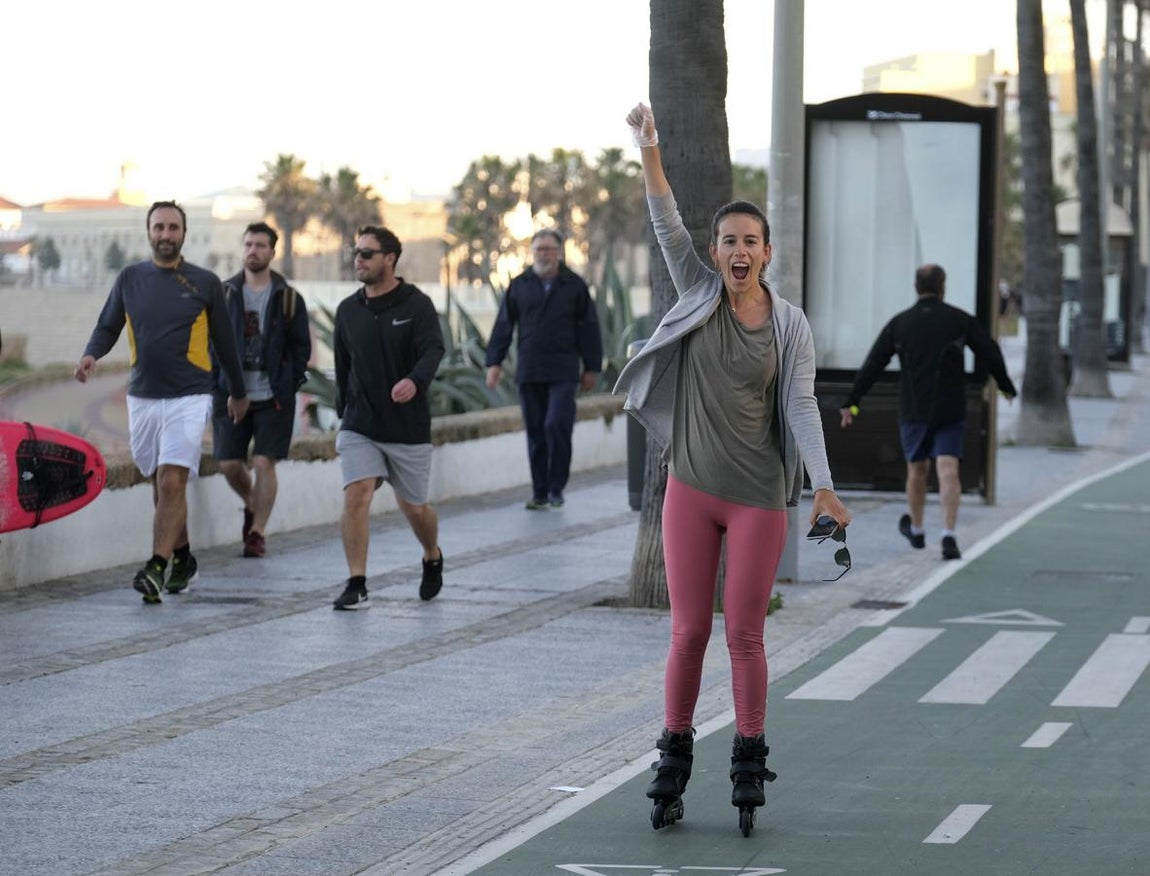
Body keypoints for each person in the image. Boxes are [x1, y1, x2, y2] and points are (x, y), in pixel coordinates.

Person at [617, 103, 851, 831]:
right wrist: (650, 145)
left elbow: (802, 405)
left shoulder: (789, 324)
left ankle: (749, 760)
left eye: (750, 241)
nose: (738, 250)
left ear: (767, 253)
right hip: (690, 491)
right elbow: (665, 220)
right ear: (715, 253)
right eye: (728, 241)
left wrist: (823, 486)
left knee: (745, 635)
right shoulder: (697, 292)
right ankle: (673, 757)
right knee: (688, 632)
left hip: (757, 497)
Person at [75, 200, 249, 604]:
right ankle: (183, 558)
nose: (166, 234)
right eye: (159, 227)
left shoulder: (205, 282)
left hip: (190, 395)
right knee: (160, 482)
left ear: (184, 233)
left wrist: (238, 392)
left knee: (172, 479)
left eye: (173, 227)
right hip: (143, 397)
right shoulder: (130, 278)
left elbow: (225, 342)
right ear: (149, 232)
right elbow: (108, 324)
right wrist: (91, 354)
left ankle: (155, 567)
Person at [839, 264, 1018, 561]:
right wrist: (1006, 387)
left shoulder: (901, 324)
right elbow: (990, 351)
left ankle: (918, 529)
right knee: (948, 470)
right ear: (942, 287)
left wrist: (852, 401)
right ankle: (948, 534)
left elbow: (874, 363)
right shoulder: (959, 320)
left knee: (917, 470)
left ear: (916, 287)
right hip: (951, 409)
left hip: (914, 410)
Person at [330, 225, 446, 610]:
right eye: (356, 252)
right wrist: (344, 413)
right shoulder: (348, 311)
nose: (358, 260)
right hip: (360, 424)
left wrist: (415, 381)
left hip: (407, 427)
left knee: (415, 508)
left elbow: (433, 350)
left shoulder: (416, 305)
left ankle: (431, 554)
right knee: (357, 494)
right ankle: (357, 583)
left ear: (389, 259)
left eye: (367, 253)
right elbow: (343, 367)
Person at [211, 222, 311, 559]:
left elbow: (301, 347)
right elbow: (210, 342)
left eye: (260, 245)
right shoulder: (224, 294)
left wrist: (289, 383)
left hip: (273, 396)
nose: (253, 251)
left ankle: (257, 532)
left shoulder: (288, 298)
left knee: (264, 462)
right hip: (229, 393)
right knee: (228, 463)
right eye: (248, 244)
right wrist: (217, 381)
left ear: (272, 252)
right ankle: (252, 503)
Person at [485, 229, 603, 510]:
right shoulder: (519, 285)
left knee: (556, 424)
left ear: (559, 252)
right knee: (536, 431)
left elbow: (589, 327)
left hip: (563, 370)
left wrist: (591, 367)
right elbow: (504, 325)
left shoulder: (574, 285)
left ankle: (556, 488)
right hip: (529, 369)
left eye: (549, 249)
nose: (544, 254)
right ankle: (539, 492)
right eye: (539, 249)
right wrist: (494, 363)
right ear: (532, 252)